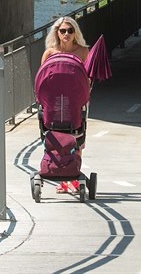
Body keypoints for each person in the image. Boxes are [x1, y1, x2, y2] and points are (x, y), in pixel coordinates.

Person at [41, 16, 90, 193]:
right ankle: (61, 176)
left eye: (70, 30)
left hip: (76, 100)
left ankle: (72, 176)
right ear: (57, 33)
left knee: (76, 138)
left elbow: (88, 78)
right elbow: (43, 79)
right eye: (63, 31)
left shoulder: (84, 52)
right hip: (55, 102)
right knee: (57, 138)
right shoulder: (50, 53)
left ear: (75, 32)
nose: (67, 34)